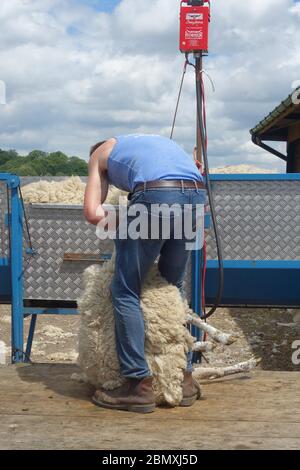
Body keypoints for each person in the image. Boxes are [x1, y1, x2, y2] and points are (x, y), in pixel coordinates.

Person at [84, 134, 206, 413]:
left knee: (125, 291)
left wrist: (128, 225)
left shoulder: (99, 154)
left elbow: (92, 213)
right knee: (171, 288)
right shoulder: (145, 143)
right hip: (197, 194)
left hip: (157, 193)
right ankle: (183, 378)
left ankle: (137, 385)